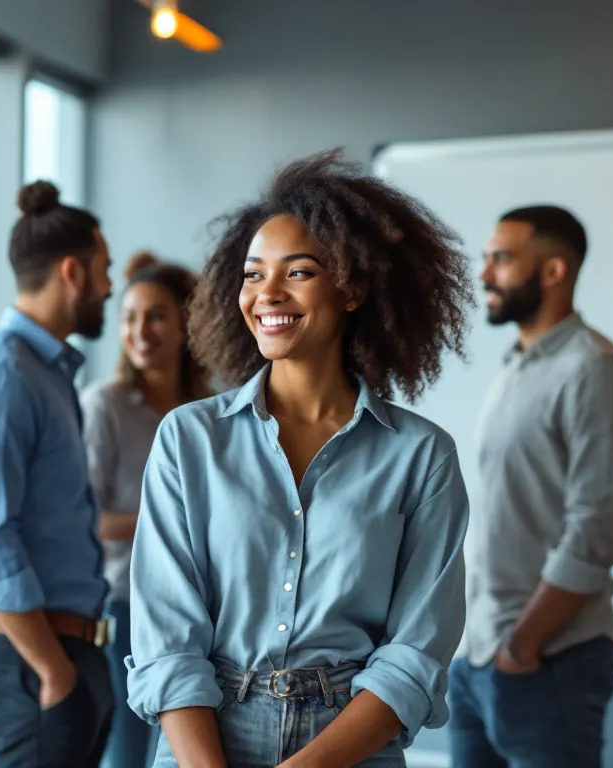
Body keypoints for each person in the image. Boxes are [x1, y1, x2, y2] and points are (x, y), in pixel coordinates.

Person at [126, 150, 475, 768]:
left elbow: (415, 653)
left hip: (351, 743)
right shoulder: (189, 438)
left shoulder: (421, 456)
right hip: (203, 738)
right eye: (252, 274)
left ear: (352, 288)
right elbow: (167, 638)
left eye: (299, 272)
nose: (267, 293)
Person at [447, 205, 613, 768]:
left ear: (554, 271)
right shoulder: (518, 365)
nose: (485, 273)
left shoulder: (594, 370)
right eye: (486, 258)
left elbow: (597, 531)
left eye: (502, 259)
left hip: (547, 660)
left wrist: (522, 645)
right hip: (477, 657)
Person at [0, 180, 116, 767]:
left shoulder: (47, 374)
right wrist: (53, 670)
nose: (109, 286)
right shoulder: (6, 375)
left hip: (66, 653)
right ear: (72, 272)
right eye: (103, 271)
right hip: (34, 662)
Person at [81, 252, 213, 768]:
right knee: (131, 754)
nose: (141, 331)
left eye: (156, 316)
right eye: (130, 317)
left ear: (185, 325)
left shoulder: (211, 412)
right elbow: (89, 520)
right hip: (126, 605)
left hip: (204, 605)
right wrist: (174, 522)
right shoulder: (105, 406)